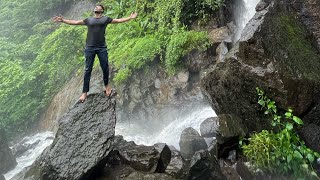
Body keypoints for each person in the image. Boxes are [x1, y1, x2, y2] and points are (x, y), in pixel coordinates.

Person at [53, 5, 137, 102]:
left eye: (99, 7)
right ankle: (84, 93)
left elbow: (118, 20)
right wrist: (63, 20)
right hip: (89, 48)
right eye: (96, 7)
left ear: (102, 11)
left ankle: (107, 87)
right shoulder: (89, 20)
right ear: (94, 10)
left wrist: (130, 18)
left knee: (105, 68)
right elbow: (75, 22)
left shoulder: (105, 19)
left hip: (102, 48)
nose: (97, 8)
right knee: (88, 70)